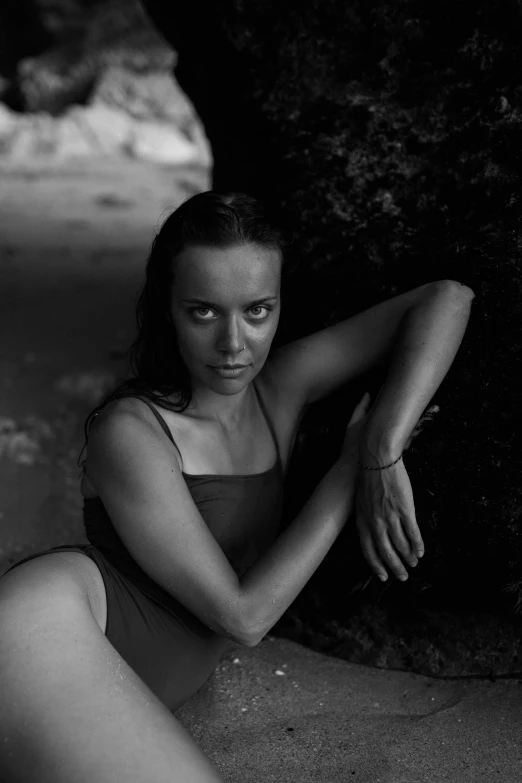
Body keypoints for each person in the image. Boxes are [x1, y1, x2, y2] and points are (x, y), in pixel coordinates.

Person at [0, 191, 474, 782]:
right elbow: (244, 618)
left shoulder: (278, 391)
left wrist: (383, 444)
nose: (233, 345)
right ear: (167, 310)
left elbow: (446, 300)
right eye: (203, 311)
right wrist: (349, 467)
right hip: (48, 623)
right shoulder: (130, 430)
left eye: (257, 311)